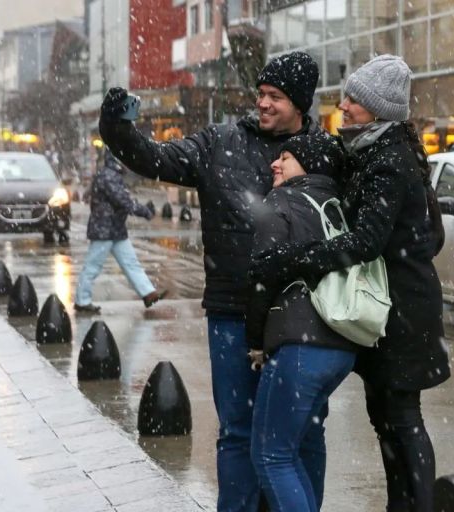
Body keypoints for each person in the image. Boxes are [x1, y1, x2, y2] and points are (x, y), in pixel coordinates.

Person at [99, 51, 322, 511]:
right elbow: (155, 158)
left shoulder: (323, 153)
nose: (262, 104)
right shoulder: (220, 143)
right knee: (238, 431)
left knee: (301, 432)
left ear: (300, 104)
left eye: (275, 97)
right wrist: (118, 128)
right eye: (260, 94)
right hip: (232, 312)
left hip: (300, 316)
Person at [250, 55, 450, 512]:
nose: (343, 105)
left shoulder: (389, 160)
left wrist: (294, 261)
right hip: (386, 304)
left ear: (378, 108)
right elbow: (429, 234)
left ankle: (415, 506)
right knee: (385, 417)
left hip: (401, 310)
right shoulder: (371, 150)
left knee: (401, 417)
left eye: (354, 99)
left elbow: (364, 242)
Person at [246, 132, 358, 511]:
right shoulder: (337, 205)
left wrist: (256, 342)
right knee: (306, 442)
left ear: (308, 167)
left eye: (287, 158)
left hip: (298, 345)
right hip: (341, 343)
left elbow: (261, 279)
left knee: (271, 455)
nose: (275, 164)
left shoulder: (283, 200)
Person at [74, 150, 164, 313]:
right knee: (93, 266)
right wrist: (144, 211)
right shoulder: (109, 176)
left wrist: (141, 208)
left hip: (114, 228)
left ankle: (148, 293)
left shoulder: (112, 175)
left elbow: (123, 200)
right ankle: (82, 301)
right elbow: (124, 201)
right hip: (105, 228)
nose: (127, 163)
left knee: (131, 263)